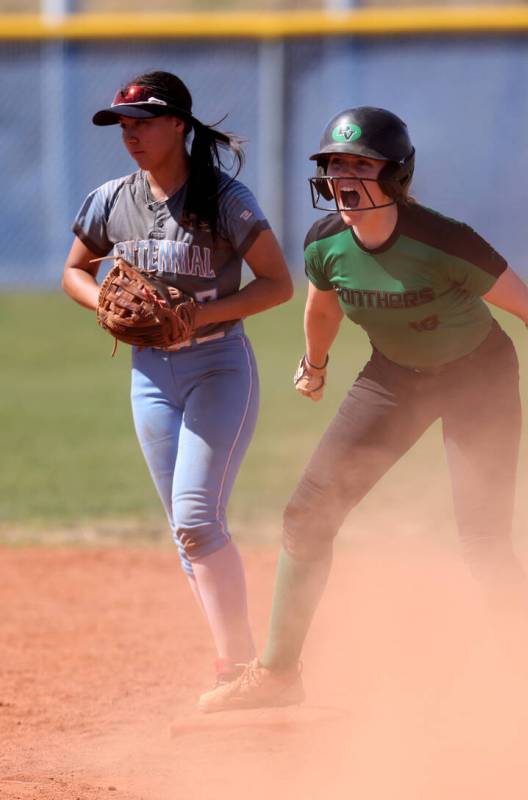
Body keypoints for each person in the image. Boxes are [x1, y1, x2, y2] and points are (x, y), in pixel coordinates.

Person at [197, 106, 528, 712]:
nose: (342, 176)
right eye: (333, 164)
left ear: (396, 175)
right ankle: (278, 675)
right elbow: (322, 310)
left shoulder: (444, 241)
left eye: (360, 164)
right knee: (307, 517)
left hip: (480, 378)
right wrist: (314, 364)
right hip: (394, 379)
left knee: (482, 538)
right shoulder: (326, 243)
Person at [61, 71, 293, 690]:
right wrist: (103, 304)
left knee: (194, 516)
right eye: (123, 125)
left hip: (218, 366)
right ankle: (237, 666)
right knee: (186, 529)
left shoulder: (225, 199)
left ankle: (241, 669)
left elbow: (278, 284)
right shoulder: (112, 198)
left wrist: (200, 313)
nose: (130, 135)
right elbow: (75, 271)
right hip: (150, 378)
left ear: (179, 127)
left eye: (143, 123)